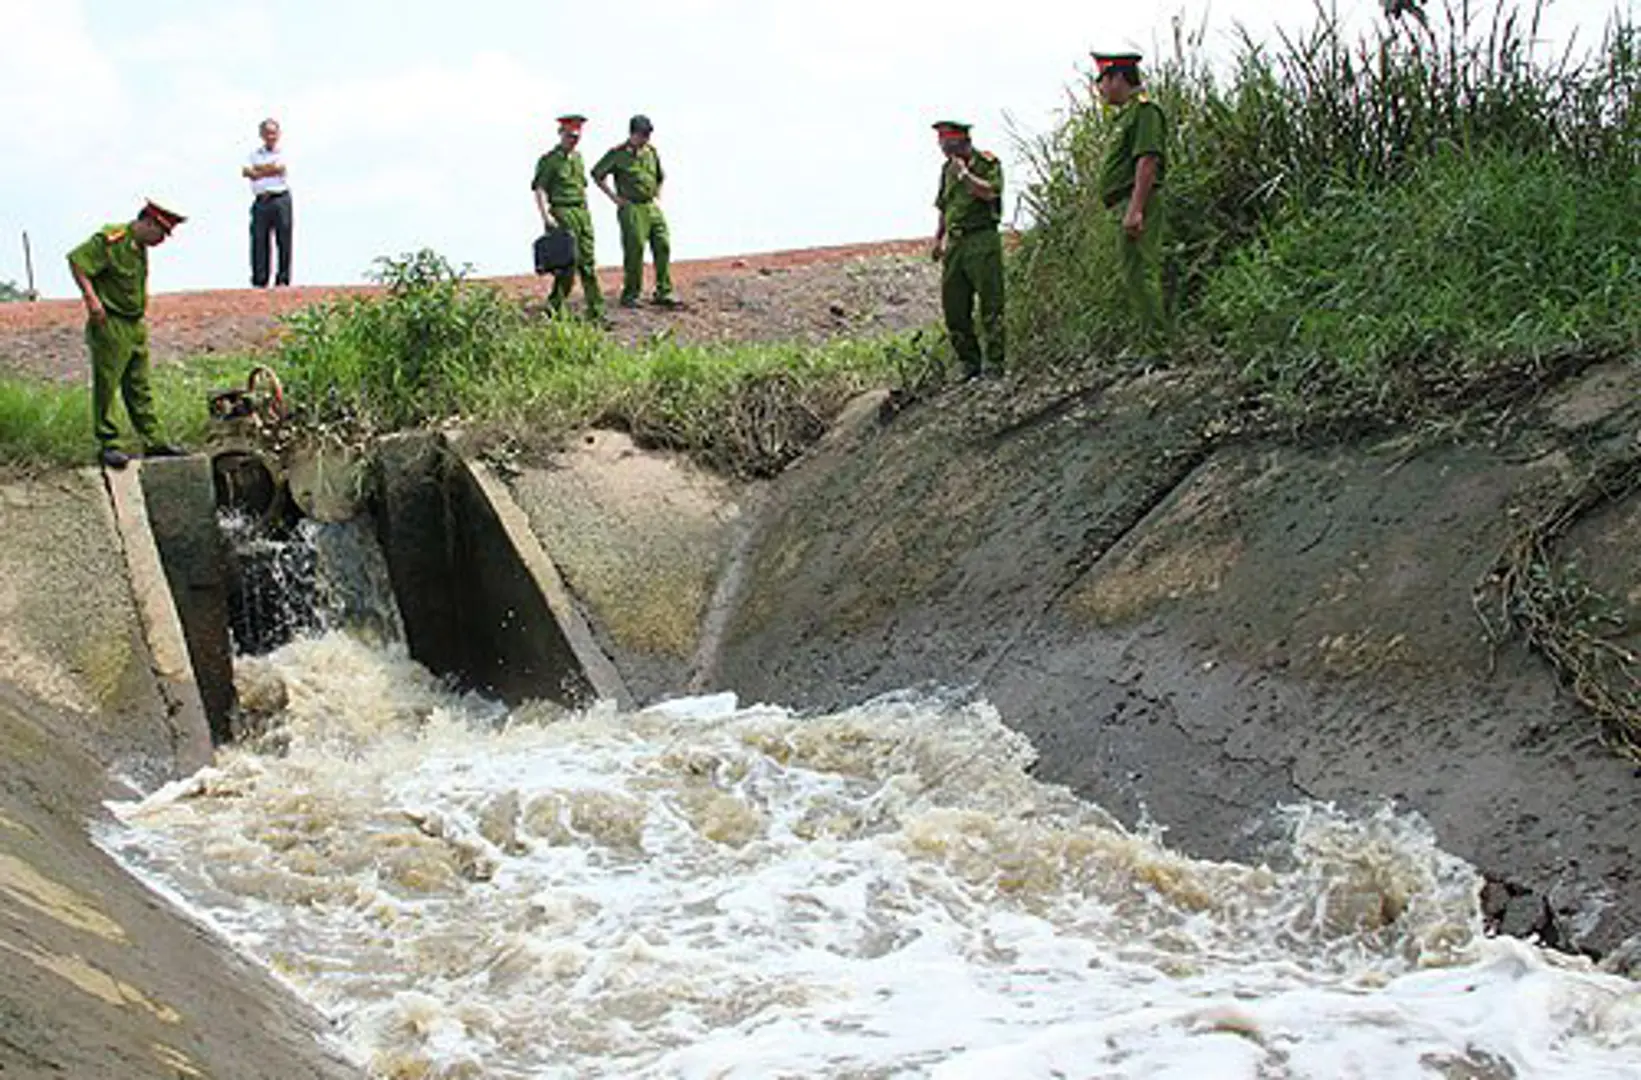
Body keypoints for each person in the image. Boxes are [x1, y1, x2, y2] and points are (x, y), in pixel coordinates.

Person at [66, 200, 187, 469]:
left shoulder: (139, 247)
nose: (162, 240)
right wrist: (91, 299)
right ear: (148, 222)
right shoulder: (112, 238)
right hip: (111, 322)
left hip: (135, 324)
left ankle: (154, 441)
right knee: (108, 385)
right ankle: (109, 444)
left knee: (140, 385)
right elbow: (77, 260)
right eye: (161, 233)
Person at [1093, 52, 1169, 338]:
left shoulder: (1145, 112)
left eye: (1102, 80)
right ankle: (1148, 344)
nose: (1099, 88)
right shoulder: (1127, 115)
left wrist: (1136, 208)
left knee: (1143, 273)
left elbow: (1147, 159)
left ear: (1119, 78)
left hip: (1139, 201)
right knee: (1133, 276)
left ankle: (1157, 349)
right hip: (1125, 202)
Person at [931, 120, 1005, 379]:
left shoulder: (987, 163)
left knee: (991, 303)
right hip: (956, 243)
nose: (944, 149)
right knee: (954, 307)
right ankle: (969, 362)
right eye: (941, 144)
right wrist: (938, 239)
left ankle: (995, 363)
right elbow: (945, 205)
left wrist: (965, 174)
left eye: (948, 144)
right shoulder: (946, 169)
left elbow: (990, 193)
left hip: (982, 239)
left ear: (963, 142)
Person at [591, 115, 677, 309]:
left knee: (662, 243)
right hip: (631, 206)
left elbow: (660, 176)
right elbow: (597, 174)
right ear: (633, 134)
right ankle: (631, 294)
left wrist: (657, 195)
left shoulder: (651, 152)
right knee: (635, 248)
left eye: (648, 135)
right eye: (642, 135)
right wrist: (614, 198)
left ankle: (664, 290)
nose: (646, 139)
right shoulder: (617, 154)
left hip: (650, 205)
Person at [532, 114, 605, 321]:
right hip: (562, 212)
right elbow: (540, 189)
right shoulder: (550, 160)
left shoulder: (578, 158)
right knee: (567, 266)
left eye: (577, 135)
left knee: (588, 264)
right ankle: (553, 309)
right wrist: (546, 217)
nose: (574, 139)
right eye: (570, 135)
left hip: (582, 213)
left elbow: (582, 188)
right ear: (561, 134)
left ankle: (596, 312)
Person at [242, 118, 293, 288]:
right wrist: (268, 170)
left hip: (280, 198)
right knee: (259, 240)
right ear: (261, 134)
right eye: (267, 133)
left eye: (273, 132)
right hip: (261, 200)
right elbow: (247, 171)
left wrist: (259, 171)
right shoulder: (253, 154)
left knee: (283, 239)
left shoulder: (284, 152)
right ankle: (259, 280)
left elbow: (280, 169)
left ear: (278, 134)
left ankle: (283, 279)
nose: (270, 136)